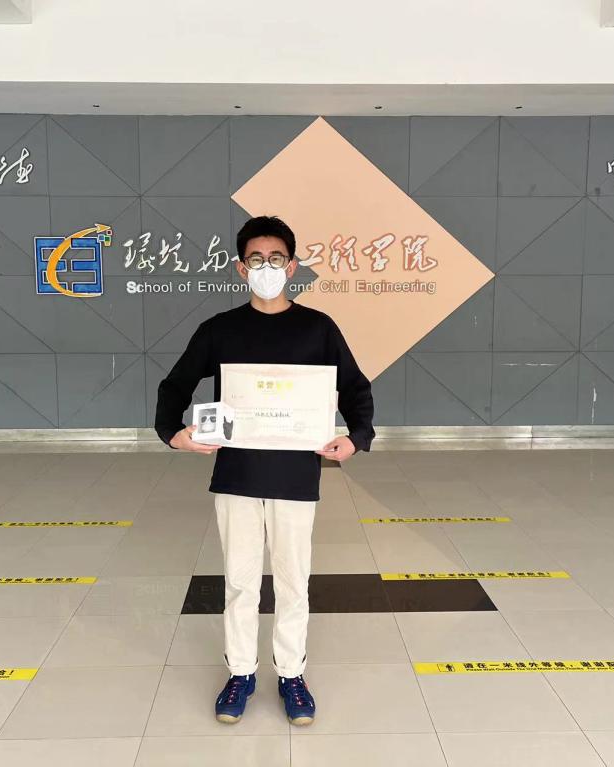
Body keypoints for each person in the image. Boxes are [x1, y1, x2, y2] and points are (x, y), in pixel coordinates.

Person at [154, 215, 375, 726]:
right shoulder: (220, 330)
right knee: (240, 581)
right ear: (241, 268)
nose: (267, 267)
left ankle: (291, 674)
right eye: (256, 259)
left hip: (296, 476)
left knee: (294, 582)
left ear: (292, 266)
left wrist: (355, 437)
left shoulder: (318, 328)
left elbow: (356, 388)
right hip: (237, 474)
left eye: (277, 258)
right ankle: (241, 672)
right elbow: (174, 385)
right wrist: (173, 433)